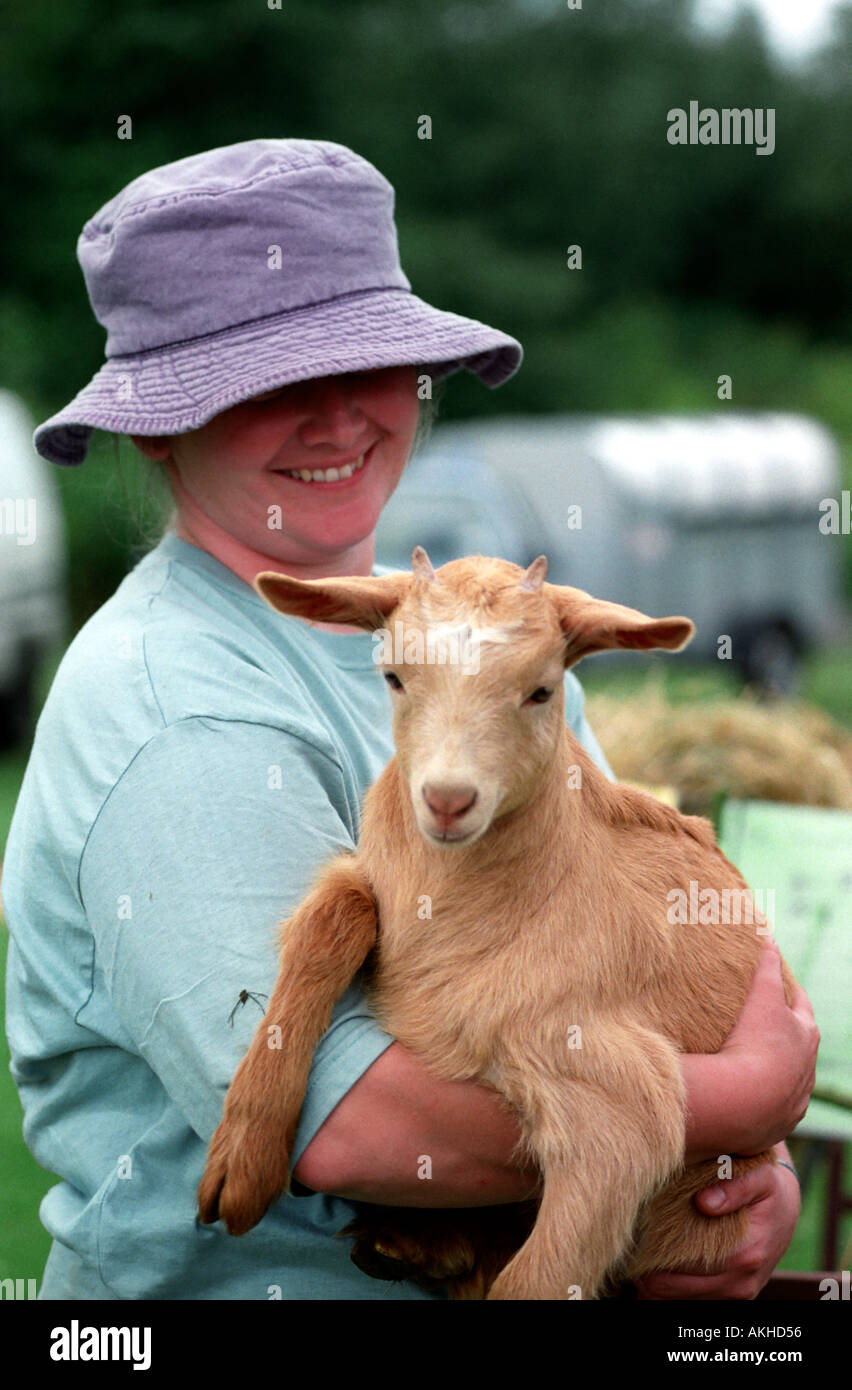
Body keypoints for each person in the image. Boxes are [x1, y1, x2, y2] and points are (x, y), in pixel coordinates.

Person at [3, 139, 817, 1301]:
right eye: (267, 381)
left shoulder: (500, 650)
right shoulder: (176, 708)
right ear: (160, 427)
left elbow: (628, 956)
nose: (335, 416)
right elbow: (358, 1125)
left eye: (369, 363)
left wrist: (739, 1187)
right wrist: (745, 1094)